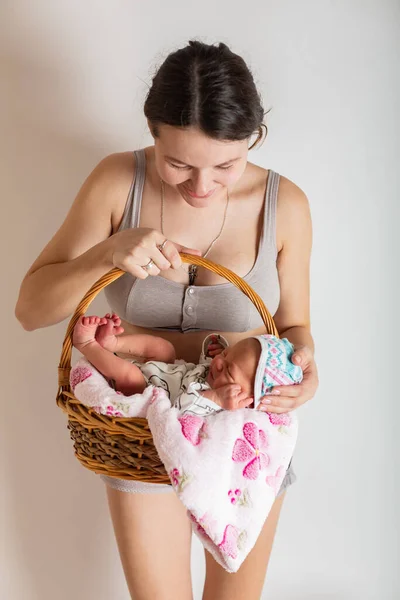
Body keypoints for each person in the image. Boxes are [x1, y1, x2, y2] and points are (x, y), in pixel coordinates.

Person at [15, 40, 319, 600]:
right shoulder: (117, 181)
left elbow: (295, 328)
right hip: (145, 433)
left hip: (240, 437)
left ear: (254, 139)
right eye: (178, 163)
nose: (200, 188)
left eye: (226, 165)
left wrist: (309, 371)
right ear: (152, 132)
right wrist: (106, 254)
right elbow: (30, 309)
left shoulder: (287, 207)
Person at [71, 311, 282, 414]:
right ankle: (113, 343)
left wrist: (216, 399)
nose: (218, 362)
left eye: (227, 369)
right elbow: (202, 369)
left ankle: (88, 344)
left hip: (149, 395)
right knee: (164, 349)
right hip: (165, 373)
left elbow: (184, 411)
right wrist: (215, 350)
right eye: (226, 355)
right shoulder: (215, 372)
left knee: (132, 377)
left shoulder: (220, 411)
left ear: (248, 400)